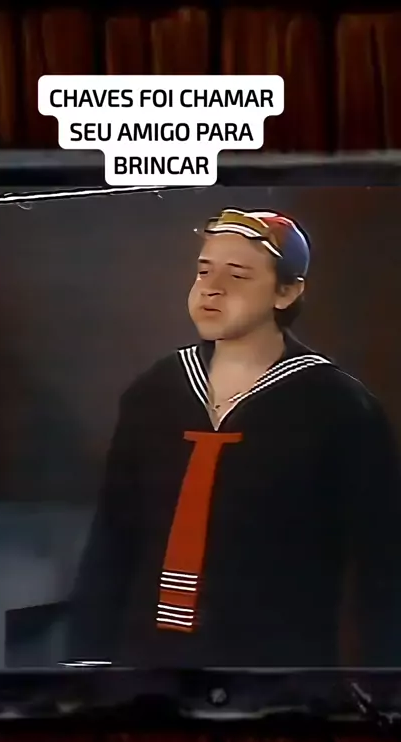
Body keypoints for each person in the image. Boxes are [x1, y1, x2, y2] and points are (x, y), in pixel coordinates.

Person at [65, 208, 401, 668]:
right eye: (204, 271)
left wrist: (385, 683)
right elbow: (112, 538)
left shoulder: (339, 408)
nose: (211, 288)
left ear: (287, 292)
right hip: (145, 667)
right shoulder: (154, 392)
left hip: (277, 673)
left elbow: (382, 566)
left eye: (237, 275)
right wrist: (87, 664)